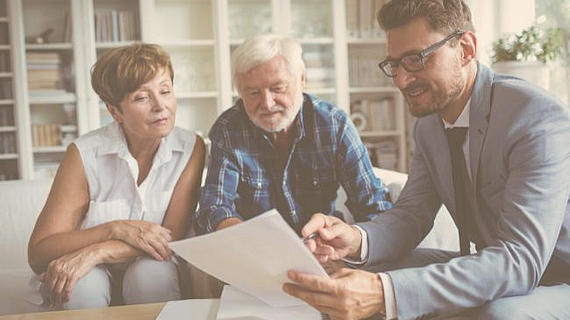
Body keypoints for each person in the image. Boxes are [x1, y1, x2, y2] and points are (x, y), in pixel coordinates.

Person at [282, 1, 570, 319]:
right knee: (349, 272)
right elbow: (410, 216)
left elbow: (520, 261)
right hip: (497, 266)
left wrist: (384, 292)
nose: (402, 80)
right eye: (394, 65)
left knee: (501, 315)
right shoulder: (429, 127)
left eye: (416, 60)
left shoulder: (534, 116)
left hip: (557, 277)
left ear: (466, 48)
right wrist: (354, 239)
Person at [28, 43, 206, 310]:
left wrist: (97, 251)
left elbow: (171, 238)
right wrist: (114, 229)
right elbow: (40, 252)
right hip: (91, 271)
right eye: (141, 98)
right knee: (80, 287)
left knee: (151, 275)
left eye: (165, 91)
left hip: (152, 261)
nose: (161, 106)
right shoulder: (84, 153)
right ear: (114, 112)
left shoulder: (192, 147)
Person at [195, 34, 392, 235]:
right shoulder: (228, 129)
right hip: (255, 247)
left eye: (278, 88)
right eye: (253, 93)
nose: (267, 103)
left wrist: (351, 242)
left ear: (302, 81)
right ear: (240, 91)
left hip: (322, 244)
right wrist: (241, 234)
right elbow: (214, 206)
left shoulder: (334, 124)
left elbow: (373, 205)